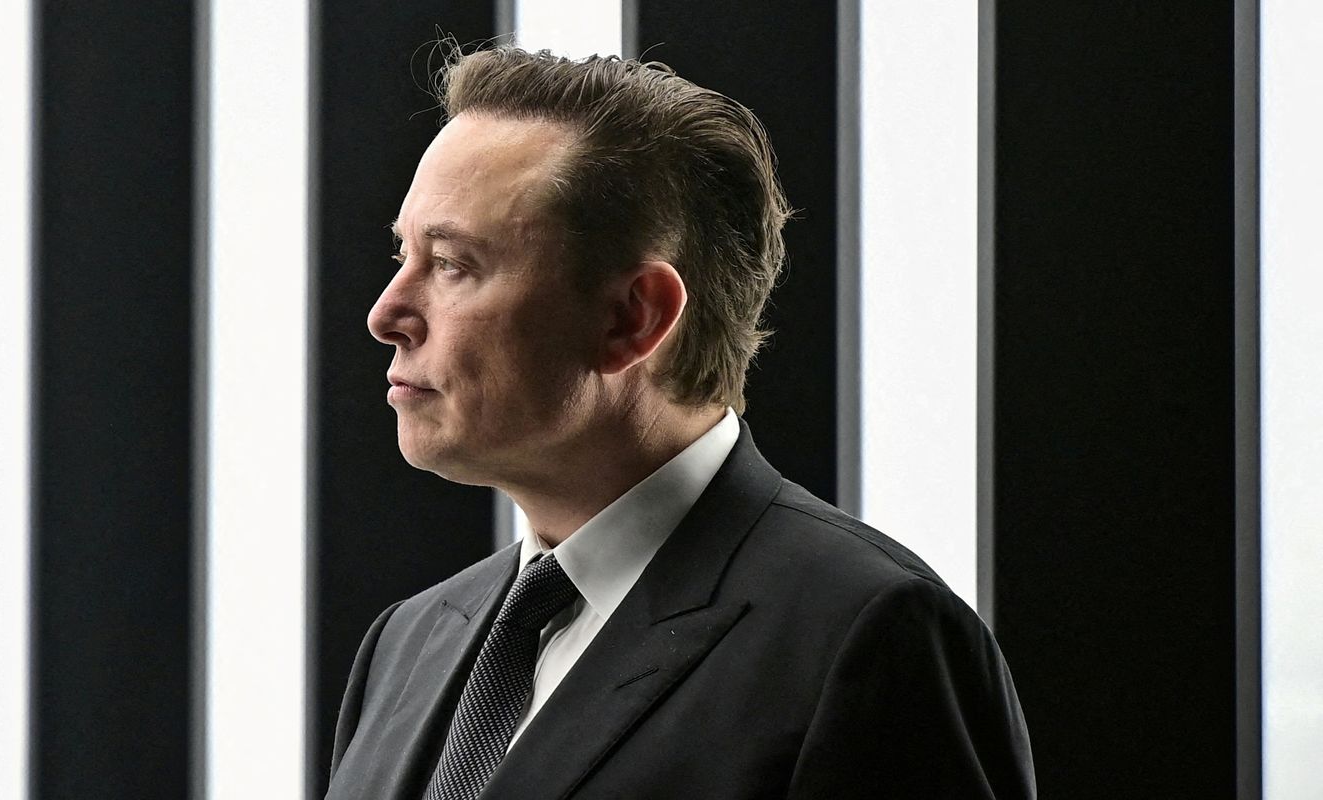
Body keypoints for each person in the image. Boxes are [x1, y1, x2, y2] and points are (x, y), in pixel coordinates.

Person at [327, 46, 1035, 800]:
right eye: (403, 255)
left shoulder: (868, 636)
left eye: (452, 264)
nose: (386, 314)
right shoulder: (406, 644)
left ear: (634, 318)